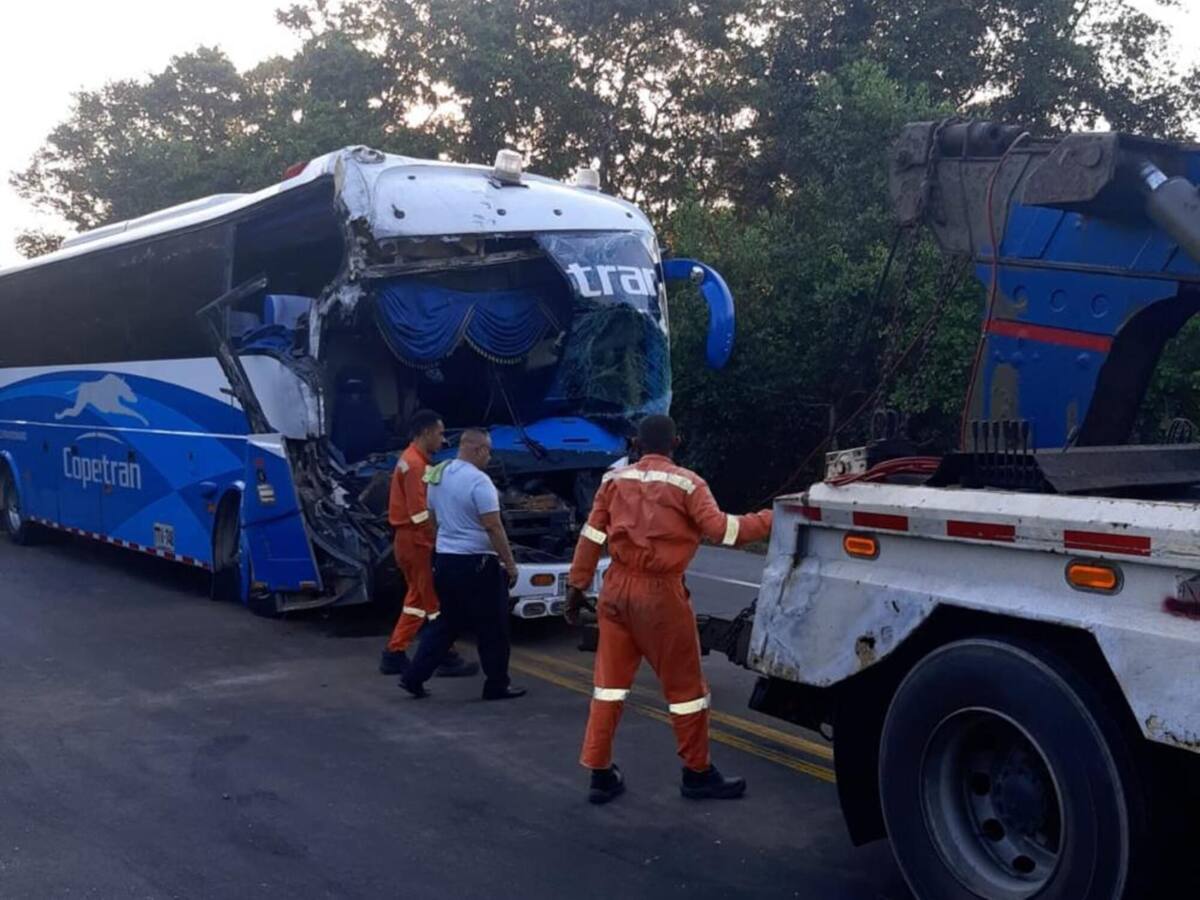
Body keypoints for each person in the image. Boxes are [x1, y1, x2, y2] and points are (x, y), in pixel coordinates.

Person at [565, 414, 773, 804]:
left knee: (608, 688)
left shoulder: (613, 481)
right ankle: (697, 774)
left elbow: (592, 536)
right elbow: (723, 531)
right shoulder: (688, 484)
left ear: (637, 444)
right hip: (660, 597)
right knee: (686, 691)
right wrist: (772, 519)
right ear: (675, 442)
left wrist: (576, 587)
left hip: (615, 590)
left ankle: (599, 772)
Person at [399, 428, 526, 701]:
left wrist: (447, 541)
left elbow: (432, 517)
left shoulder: (439, 475)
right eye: (488, 451)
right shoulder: (480, 483)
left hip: (445, 561)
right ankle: (496, 685)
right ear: (478, 449)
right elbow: (493, 526)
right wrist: (510, 564)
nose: (490, 457)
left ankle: (413, 677)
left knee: (447, 624)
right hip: (478, 563)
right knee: (494, 627)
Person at [379, 409, 477, 678]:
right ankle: (443, 654)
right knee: (432, 603)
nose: (442, 439)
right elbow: (420, 512)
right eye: (439, 433)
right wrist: (442, 536)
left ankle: (395, 652)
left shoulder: (412, 460)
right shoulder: (415, 466)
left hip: (409, 540)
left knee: (417, 600)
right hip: (416, 541)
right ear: (426, 433)